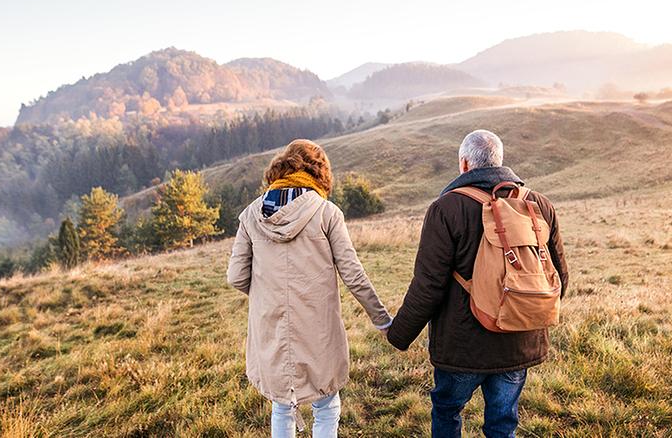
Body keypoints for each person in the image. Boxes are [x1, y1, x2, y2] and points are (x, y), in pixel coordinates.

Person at [386, 129, 569, 438]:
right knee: (502, 422)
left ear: (465, 164)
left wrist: (399, 335)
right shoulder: (540, 205)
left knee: (447, 410)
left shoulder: (445, 209)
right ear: (499, 161)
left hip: (462, 347)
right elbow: (559, 278)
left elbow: (428, 285)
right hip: (518, 340)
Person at [226, 139, 393, 438]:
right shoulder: (327, 213)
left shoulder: (251, 214)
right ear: (320, 172)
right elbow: (353, 274)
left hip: (272, 326)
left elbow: (236, 276)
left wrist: (269, 294)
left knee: (282, 406)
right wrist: (382, 319)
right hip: (318, 328)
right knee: (326, 405)